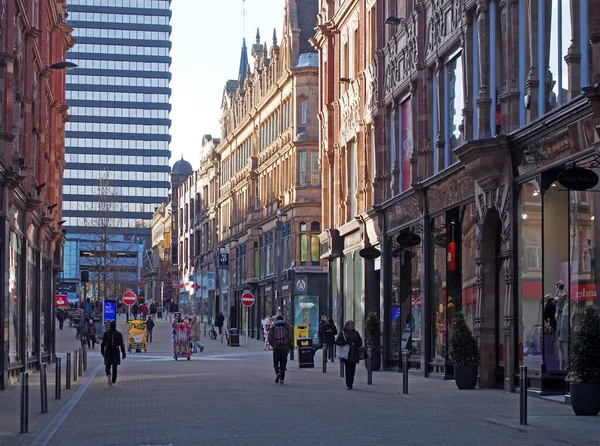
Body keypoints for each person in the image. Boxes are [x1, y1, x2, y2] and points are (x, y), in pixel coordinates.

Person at [335, 320, 362, 390]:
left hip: (354, 352)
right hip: (347, 353)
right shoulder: (343, 333)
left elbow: (359, 341)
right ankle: (349, 384)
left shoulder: (356, 333)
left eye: (352, 324)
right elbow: (337, 342)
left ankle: (351, 382)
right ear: (347, 325)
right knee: (348, 368)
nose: (352, 326)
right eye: (350, 324)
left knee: (353, 369)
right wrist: (345, 342)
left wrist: (356, 344)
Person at [268, 315, 293, 385]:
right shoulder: (286, 328)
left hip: (276, 348)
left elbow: (269, 338)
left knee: (275, 362)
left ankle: (277, 373)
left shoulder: (273, 328)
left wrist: (274, 345)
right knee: (283, 364)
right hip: (284, 349)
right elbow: (290, 338)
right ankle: (282, 379)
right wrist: (288, 345)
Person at [101, 320, 126, 387]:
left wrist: (102, 352)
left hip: (108, 351)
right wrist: (124, 353)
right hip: (116, 351)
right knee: (115, 367)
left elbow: (103, 344)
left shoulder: (106, 334)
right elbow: (122, 344)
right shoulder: (119, 334)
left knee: (107, 366)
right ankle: (113, 381)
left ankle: (108, 374)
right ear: (115, 326)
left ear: (110, 326)